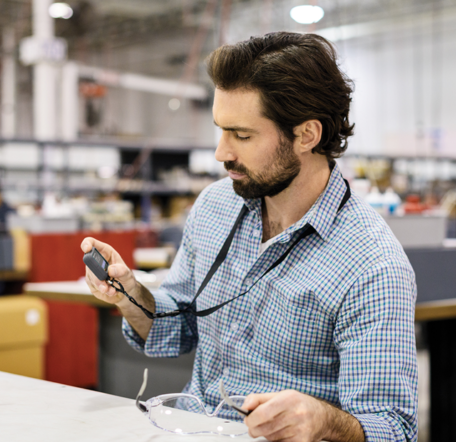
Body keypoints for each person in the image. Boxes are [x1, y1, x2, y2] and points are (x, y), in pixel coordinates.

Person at [81, 32, 417, 442]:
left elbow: (394, 430)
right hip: (190, 429)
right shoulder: (215, 206)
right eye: (221, 130)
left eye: (242, 136)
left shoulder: (372, 266)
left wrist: (321, 420)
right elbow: (176, 328)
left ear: (307, 135)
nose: (221, 152)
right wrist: (130, 293)